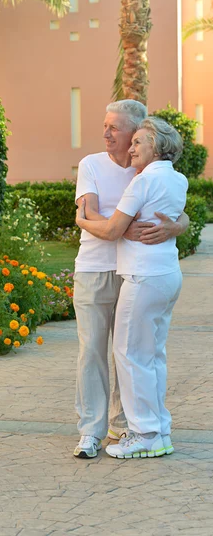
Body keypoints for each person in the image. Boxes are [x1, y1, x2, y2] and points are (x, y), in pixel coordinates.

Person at [73, 100, 189, 459]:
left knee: (129, 353)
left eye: (116, 128)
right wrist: (97, 222)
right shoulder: (92, 164)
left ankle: (128, 427)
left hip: (134, 273)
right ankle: (91, 432)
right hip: (95, 270)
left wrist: (174, 226)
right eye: (105, 126)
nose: (106, 133)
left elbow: (178, 214)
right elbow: (91, 210)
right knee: (95, 352)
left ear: (141, 135)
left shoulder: (144, 171)